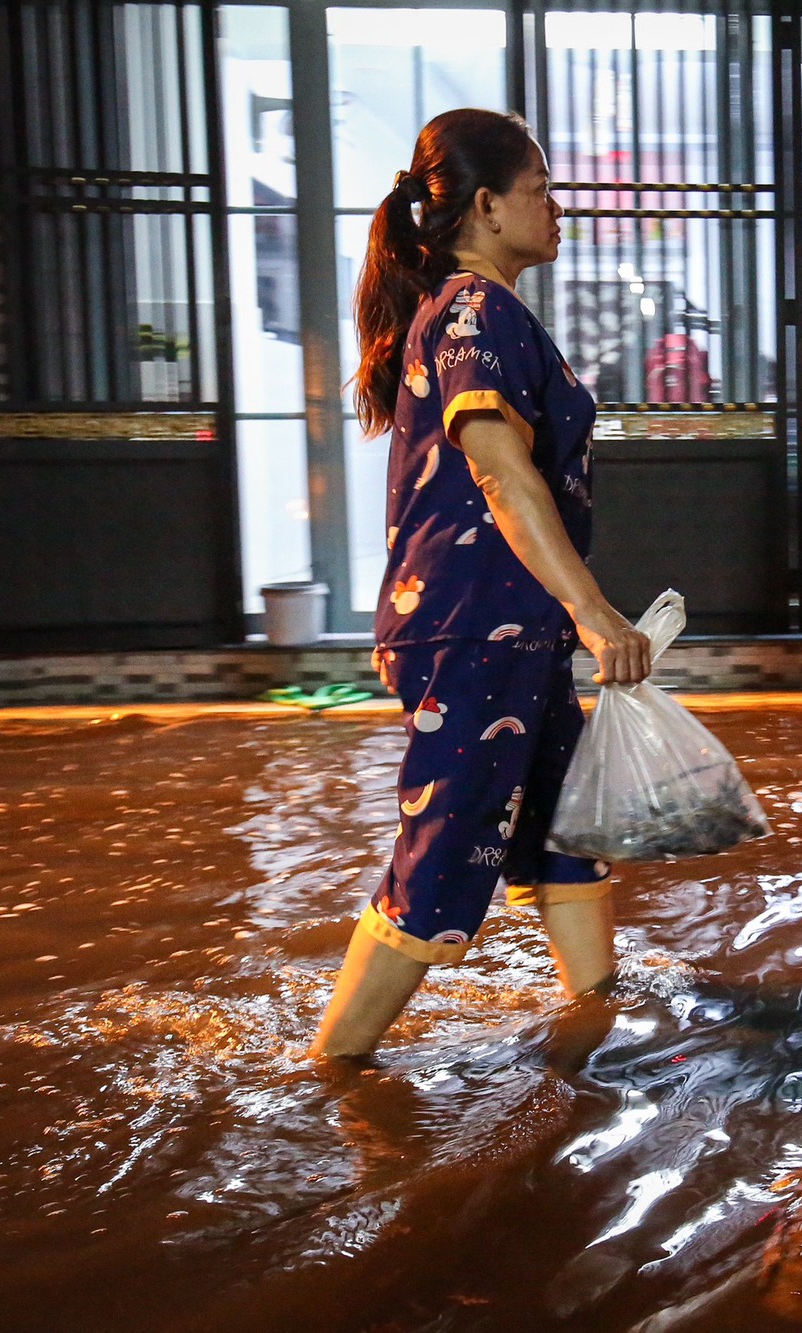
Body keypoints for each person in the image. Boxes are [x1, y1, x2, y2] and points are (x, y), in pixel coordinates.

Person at [309, 108, 652, 1060]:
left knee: (559, 824)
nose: (557, 208)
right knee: (446, 845)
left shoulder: (483, 311)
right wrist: (591, 609)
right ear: (490, 205)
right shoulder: (474, 312)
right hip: (472, 629)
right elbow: (502, 474)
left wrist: (564, 613)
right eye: (540, 190)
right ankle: (329, 1071)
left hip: (509, 628)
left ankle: (599, 1020)